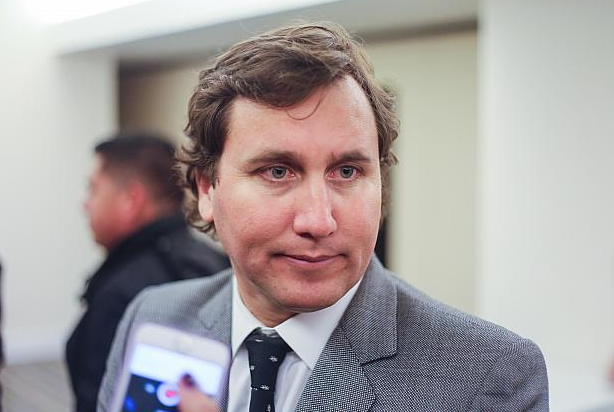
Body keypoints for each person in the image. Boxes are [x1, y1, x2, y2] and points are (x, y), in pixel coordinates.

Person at [98, 23, 549, 412]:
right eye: (277, 171)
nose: (318, 221)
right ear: (206, 190)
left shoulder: (487, 376)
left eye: (347, 171)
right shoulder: (155, 316)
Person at [66, 133, 230, 412]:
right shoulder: (213, 261)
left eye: (93, 189)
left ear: (131, 200)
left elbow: (98, 399)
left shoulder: (124, 293)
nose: (85, 204)